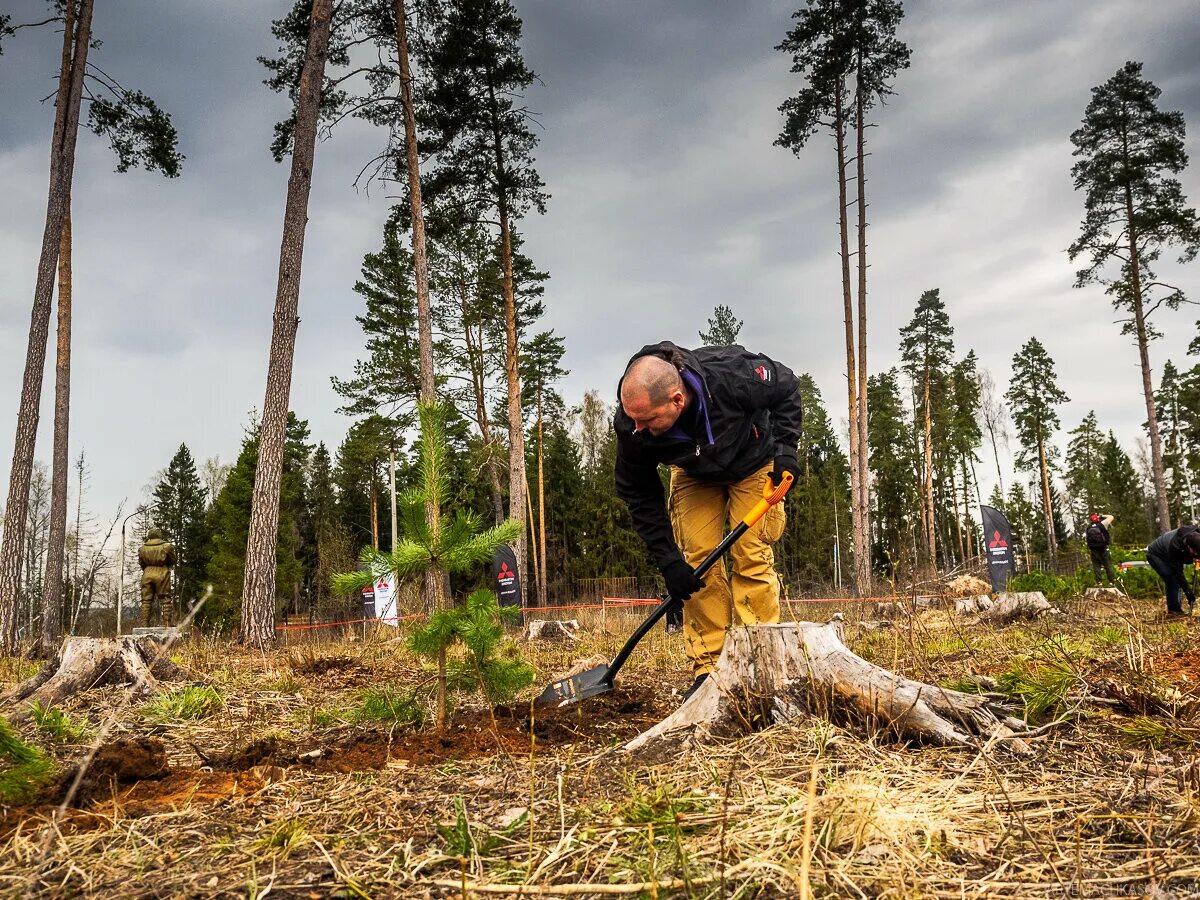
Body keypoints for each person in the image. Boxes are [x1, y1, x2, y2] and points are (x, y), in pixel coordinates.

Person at [614, 341, 801, 697]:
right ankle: (709, 671)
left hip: (753, 463)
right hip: (693, 474)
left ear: (676, 400)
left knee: (751, 555)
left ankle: (760, 664)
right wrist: (669, 562)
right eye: (633, 419)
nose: (637, 429)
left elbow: (787, 386)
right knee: (697, 564)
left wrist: (786, 450)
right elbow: (638, 493)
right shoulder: (631, 425)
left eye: (648, 421)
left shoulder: (731, 375)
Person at [1145, 524, 1200, 617]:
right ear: (1188, 546)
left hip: (1169, 553)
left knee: (1175, 580)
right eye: (1194, 553)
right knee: (1173, 579)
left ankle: (1176, 608)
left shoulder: (1197, 534)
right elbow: (1178, 573)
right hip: (1156, 555)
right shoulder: (1175, 547)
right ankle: (1174, 610)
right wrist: (1188, 592)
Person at [138, 527, 177, 627]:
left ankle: (144, 623)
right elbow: (173, 560)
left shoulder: (142, 549)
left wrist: (148, 569)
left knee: (146, 600)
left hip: (147, 574)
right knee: (165, 599)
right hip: (162, 572)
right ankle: (167, 623)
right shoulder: (167, 546)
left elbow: (141, 563)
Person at [1084, 513, 1119, 587]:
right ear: (1098, 519)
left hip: (1094, 550)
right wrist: (1101, 516)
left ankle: (1099, 582)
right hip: (1103, 548)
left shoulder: (1088, 527)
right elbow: (1111, 516)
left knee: (1096, 566)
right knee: (1108, 565)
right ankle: (1111, 582)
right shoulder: (1103, 524)